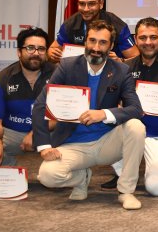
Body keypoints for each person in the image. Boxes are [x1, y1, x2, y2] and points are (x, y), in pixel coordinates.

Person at [32, 20, 146, 210]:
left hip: (107, 142)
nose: (96, 48)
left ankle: (126, 191)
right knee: (47, 176)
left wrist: (103, 114)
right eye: (92, 41)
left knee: (136, 127)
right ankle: (81, 178)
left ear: (111, 46)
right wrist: (44, 146)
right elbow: (40, 105)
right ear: (85, 41)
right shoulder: (67, 66)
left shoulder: (121, 70)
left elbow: (135, 109)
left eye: (103, 42)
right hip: (73, 145)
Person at [100, 17, 158, 196]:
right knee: (103, 125)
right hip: (131, 131)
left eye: (153, 37)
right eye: (142, 37)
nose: (148, 42)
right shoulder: (125, 68)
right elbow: (114, 101)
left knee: (156, 188)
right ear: (135, 40)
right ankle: (126, 173)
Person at [0, 27, 55, 166]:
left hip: (48, 131)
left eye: (41, 49)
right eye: (30, 48)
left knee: (72, 138)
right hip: (14, 134)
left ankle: (55, 170)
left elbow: (63, 115)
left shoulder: (58, 74)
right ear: (19, 52)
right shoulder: (3, 78)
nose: (36, 53)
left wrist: (37, 132)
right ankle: (13, 171)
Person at [47, 0, 138, 63]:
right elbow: (51, 50)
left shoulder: (117, 25)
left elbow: (136, 59)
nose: (86, 9)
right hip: (80, 71)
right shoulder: (70, 24)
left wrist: (120, 61)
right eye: (82, 4)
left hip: (111, 71)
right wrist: (52, 53)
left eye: (91, 4)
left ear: (101, 4)